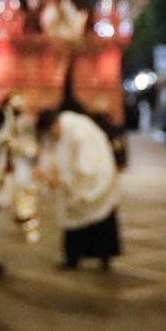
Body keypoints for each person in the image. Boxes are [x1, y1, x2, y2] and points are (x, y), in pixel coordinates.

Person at [36, 105, 122, 271]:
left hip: (95, 179)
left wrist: (66, 178)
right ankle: (72, 257)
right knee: (73, 220)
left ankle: (104, 257)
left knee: (100, 219)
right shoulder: (61, 130)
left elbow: (86, 165)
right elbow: (52, 153)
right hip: (73, 183)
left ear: (55, 123)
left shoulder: (79, 130)